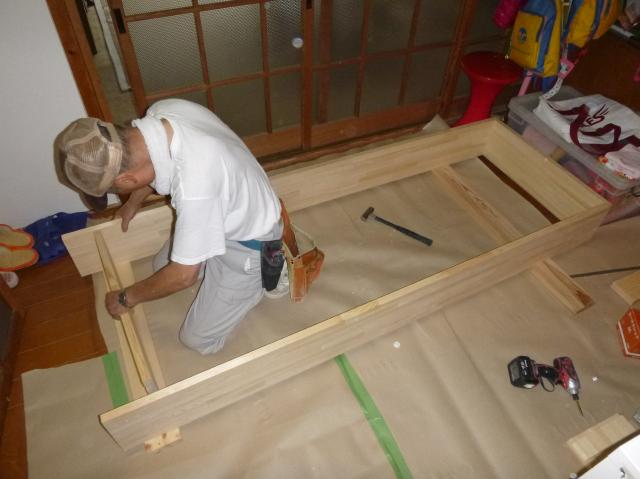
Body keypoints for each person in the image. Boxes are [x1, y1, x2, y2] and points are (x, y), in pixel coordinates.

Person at [56, 99, 287, 355]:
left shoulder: (194, 187)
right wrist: (132, 203)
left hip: (251, 241)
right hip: (225, 206)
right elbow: (149, 167)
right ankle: (210, 255)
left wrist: (126, 298)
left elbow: (183, 276)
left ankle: (269, 274)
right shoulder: (162, 113)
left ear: (127, 179)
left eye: (119, 188)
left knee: (196, 339)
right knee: (160, 269)